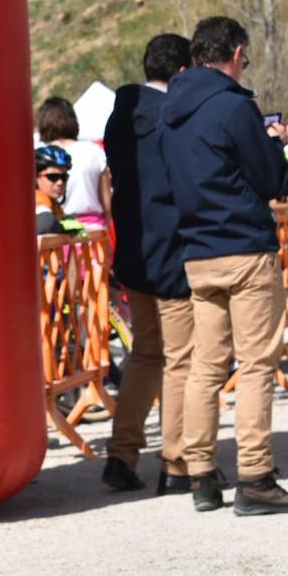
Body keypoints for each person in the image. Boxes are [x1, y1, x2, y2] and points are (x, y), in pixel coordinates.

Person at [163, 16, 288, 516]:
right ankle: (255, 476)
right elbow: (269, 178)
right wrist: (273, 146)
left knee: (204, 368)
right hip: (245, 249)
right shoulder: (232, 105)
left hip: (198, 252)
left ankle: (201, 473)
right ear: (236, 52)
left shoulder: (172, 110)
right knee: (255, 366)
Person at [100, 33, 198, 496]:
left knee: (143, 356)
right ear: (182, 72)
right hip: (173, 253)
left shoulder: (122, 116)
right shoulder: (174, 117)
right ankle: (175, 461)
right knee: (180, 360)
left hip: (134, 254)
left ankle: (121, 455)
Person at [38, 96, 111, 231]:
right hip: (94, 235)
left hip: (53, 236)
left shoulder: (39, 156)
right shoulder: (94, 151)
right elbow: (107, 204)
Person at [34, 145, 73, 238]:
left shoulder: (53, 202)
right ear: (35, 177)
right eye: (53, 177)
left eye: (64, 177)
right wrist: (61, 227)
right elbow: (46, 223)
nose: (60, 182)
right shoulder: (38, 199)